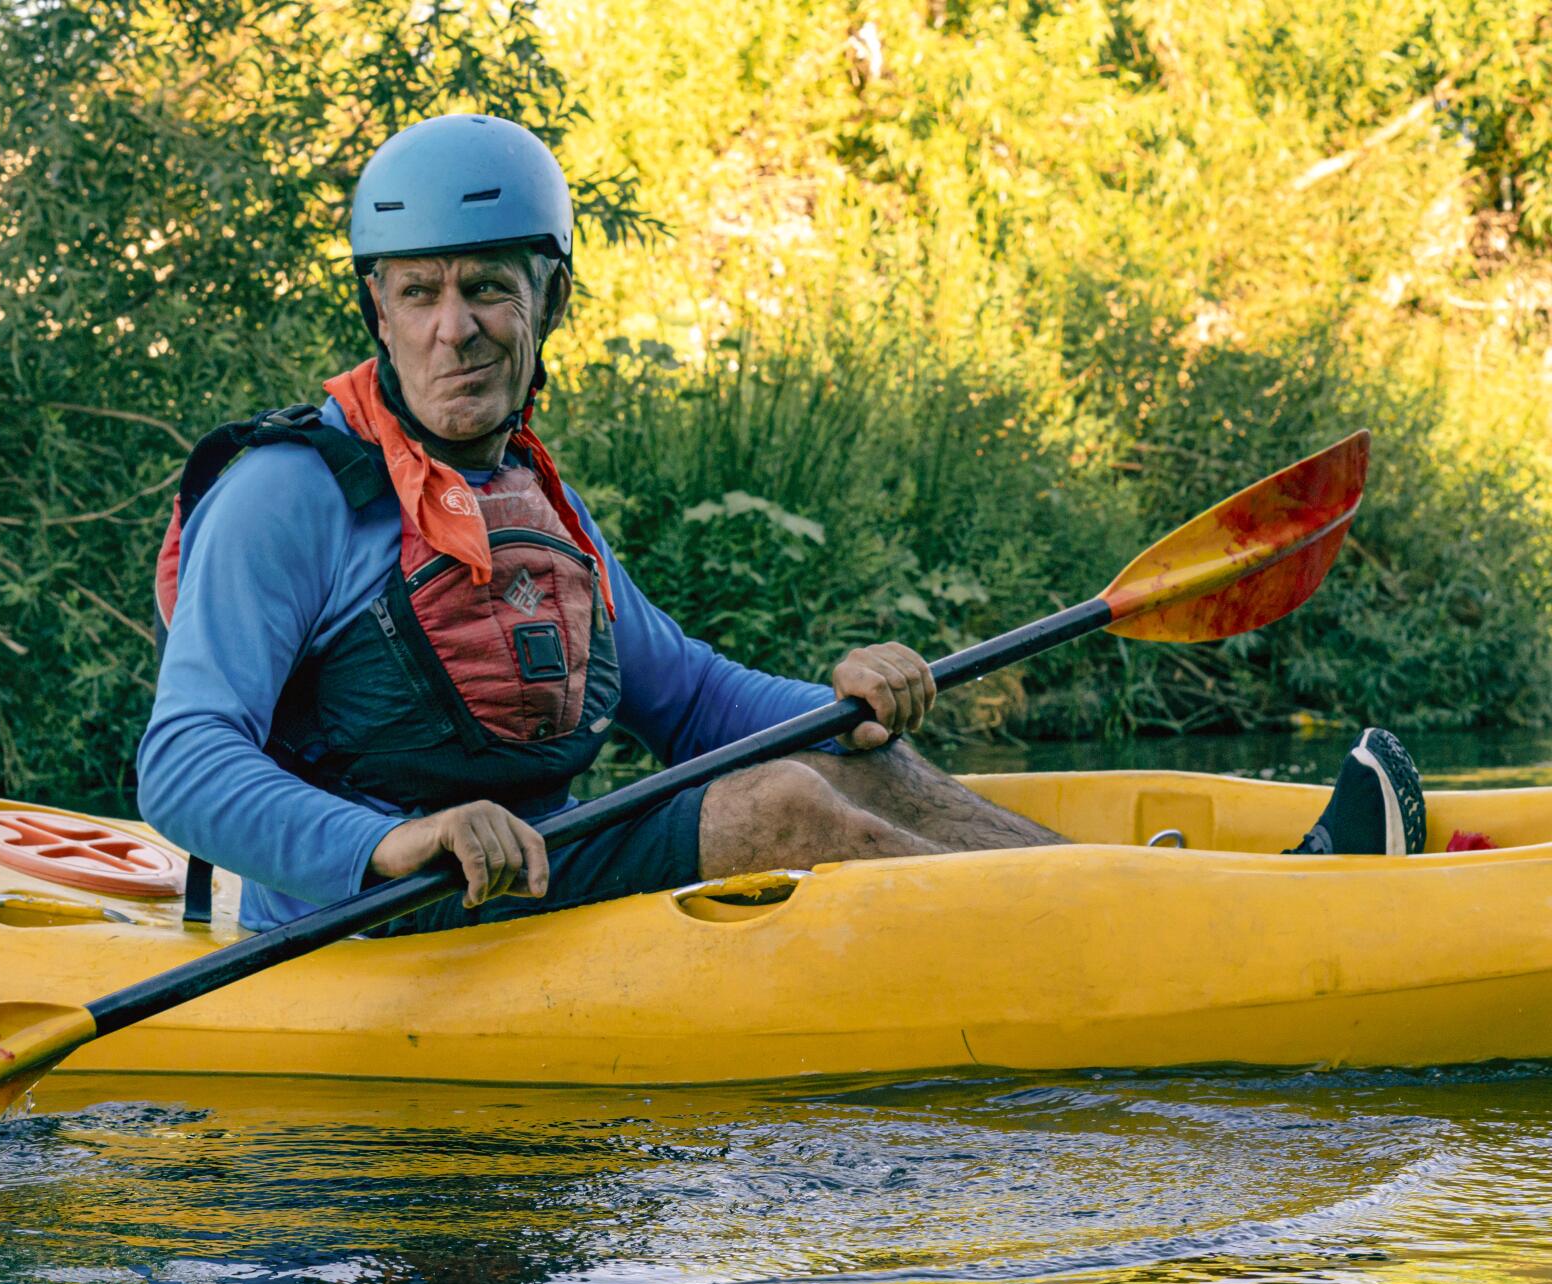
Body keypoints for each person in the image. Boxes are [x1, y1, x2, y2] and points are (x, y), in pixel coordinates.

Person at [137, 114, 1427, 936]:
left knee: (839, 760)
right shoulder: (291, 492)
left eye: (488, 289)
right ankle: (1177, 939)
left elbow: (688, 700)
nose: (452, 326)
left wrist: (840, 697)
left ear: (548, 302)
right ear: (377, 307)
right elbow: (184, 766)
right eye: (417, 293)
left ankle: (1173, 914)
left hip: (537, 865)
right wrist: (391, 842)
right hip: (367, 908)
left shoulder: (533, 493)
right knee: (771, 813)